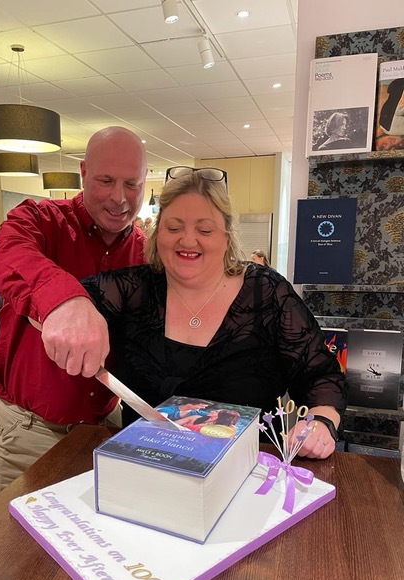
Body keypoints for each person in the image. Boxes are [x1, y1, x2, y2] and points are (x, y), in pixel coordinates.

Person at [81, 167, 347, 460]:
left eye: (204, 229)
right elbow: (51, 301)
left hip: (244, 477)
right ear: (158, 234)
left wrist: (321, 424)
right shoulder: (131, 289)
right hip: (144, 473)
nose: (188, 240)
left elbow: (322, 377)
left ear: (226, 235)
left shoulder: (267, 293)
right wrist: (67, 309)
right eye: (173, 228)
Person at [0, 126, 148, 505]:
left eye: (132, 184)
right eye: (106, 180)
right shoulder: (42, 219)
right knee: (3, 557)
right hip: (22, 435)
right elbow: (4, 252)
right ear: (84, 173)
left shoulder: (145, 253)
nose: (119, 198)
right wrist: (65, 299)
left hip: (100, 432)